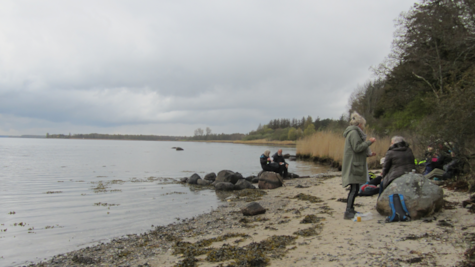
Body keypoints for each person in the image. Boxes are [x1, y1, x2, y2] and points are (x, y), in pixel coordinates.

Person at [341, 112, 376, 220]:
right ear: (359, 124)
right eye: (363, 125)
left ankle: (350, 209)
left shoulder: (353, 132)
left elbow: (357, 149)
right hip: (353, 165)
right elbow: (357, 148)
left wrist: (368, 154)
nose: (363, 127)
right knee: (354, 189)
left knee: (355, 188)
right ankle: (348, 211)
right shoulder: (354, 133)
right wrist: (369, 142)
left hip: (354, 164)